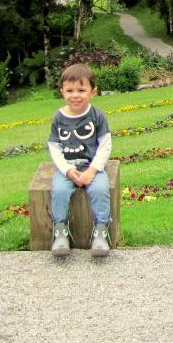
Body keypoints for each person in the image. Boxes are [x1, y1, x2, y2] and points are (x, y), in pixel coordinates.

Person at [47, 63, 113, 258]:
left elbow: (105, 145)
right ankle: (60, 231)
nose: (75, 95)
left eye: (81, 90)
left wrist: (93, 170)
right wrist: (67, 170)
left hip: (92, 167)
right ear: (62, 92)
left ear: (93, 92)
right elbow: (54, 147)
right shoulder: (58, 117)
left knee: (100, 190)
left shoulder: (97, 116)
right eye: (70, 90)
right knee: (59, 191)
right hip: (67, 169)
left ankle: (101, 231)